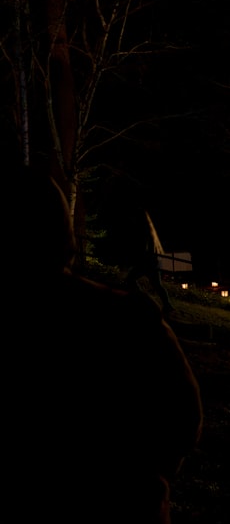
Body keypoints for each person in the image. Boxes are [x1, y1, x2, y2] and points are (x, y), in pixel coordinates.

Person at [10, 163, 202, 523]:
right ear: (62, 235)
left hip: (126, 496)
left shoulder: (127, 315)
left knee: (152, 285)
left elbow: (184, 414)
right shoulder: (126, 318)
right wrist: (148, 474)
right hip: (126, 503)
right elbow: (184, 414)